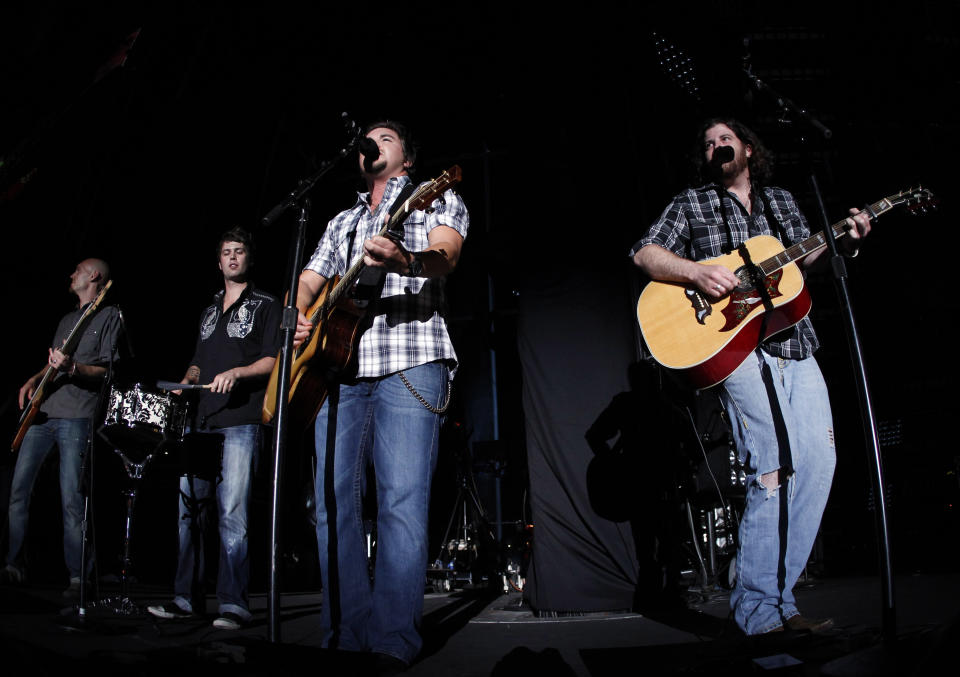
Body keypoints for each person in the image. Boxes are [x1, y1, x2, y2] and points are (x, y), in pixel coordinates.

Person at [631, 118, 873, 636]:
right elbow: (645, 251)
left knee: (820, 463)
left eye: (725, 138)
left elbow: (808, 263)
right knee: (774, 466)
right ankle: (759, 609)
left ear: (747, 147)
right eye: (708, 142)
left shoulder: (782, 201)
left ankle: (781, 599)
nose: (716, 145)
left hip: (796, 342)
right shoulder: (692, 203)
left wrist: (845, 243)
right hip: (738, 350)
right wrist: (695, 272)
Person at [293, 120, 468, 671]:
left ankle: (392, 641)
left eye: (386, 138)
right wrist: (299, 313)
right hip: (335, 370)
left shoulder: (431, 198)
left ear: (408, 158)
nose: (374, 143)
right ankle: (345, 636)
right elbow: (310, 279)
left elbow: (447, 254)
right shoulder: (341, 221)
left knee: (401, 502)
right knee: (331, 505)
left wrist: (406, 261)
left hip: (409, 360)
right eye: (368, 138)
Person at [147, 227, 280, 630]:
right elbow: (199, 360)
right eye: (227, 252)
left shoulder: (267, 304)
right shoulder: (208, 309)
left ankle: (233, 604)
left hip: (240, 423)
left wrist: (238, 372)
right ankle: (186, 600)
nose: (233, 258)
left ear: (249, 258)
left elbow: (274, 360)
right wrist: (188, 378)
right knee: (190, 514)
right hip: (202, 422)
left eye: (240, 251)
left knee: (232, 514)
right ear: (218, 261)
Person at [2, 258, 121, 596]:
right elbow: (52, 361)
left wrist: (72, 368)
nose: (71, 275)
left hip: (77, 416)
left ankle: (78, 576)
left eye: (77, 271)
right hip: (44, 414)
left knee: (72, 498)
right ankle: (14, 565)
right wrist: (35, 378)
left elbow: (107, 372)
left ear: (94, 276)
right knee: (19, 491)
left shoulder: (110, 316)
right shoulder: (68, 319)